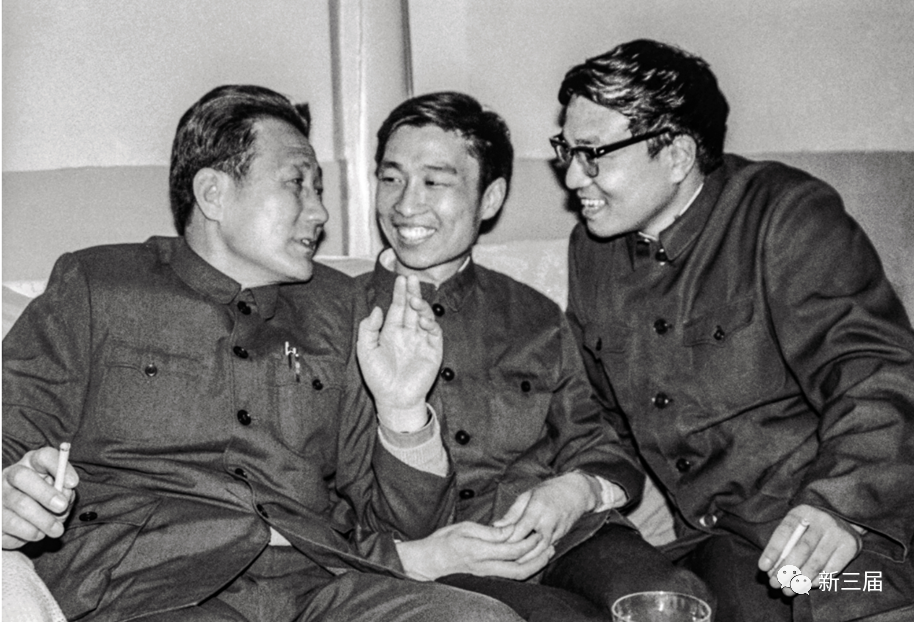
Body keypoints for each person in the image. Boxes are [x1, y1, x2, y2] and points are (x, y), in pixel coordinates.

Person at [1, 84, 527, 622]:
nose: (320, 212)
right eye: (297, 183)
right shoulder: (99, 285)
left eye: (319, 189)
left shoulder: (340, 308)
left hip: (317, 587)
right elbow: (10, 436)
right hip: (149, 588)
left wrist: (403, 412)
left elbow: (400, 527)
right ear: (213, 193)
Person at [555, 39, 914, 622]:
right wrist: (585, 486)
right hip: (720, 551)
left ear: (677, 155)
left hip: (841, 535)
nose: (573, 177)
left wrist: (840, 507)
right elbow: (599, 418)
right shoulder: (592, 252)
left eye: (593, 153)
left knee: (854, 604)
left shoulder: (786, 216)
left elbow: (876, 375)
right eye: (566, 151)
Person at [357, 91, 710, 621]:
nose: (406, 205)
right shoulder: (339, 315)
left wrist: (575, 491)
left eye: (434, 182)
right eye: (391, 179)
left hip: (569, 536)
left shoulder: (534, 315)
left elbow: (597, 441)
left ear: (490, 198)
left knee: (669, 600)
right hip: (444, 562)